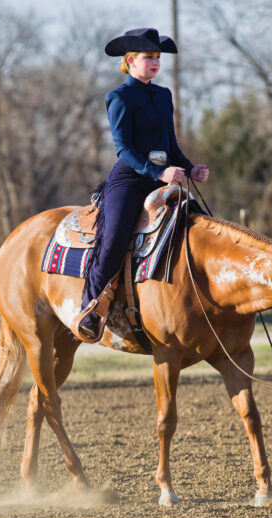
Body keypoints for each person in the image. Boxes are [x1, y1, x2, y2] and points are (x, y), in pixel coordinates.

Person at [72, 27, 210, 342]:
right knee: (115, 237)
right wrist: (158, 173)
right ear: (131, 61)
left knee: (200, 223)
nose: (155, 63)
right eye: (149, 57)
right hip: (131, 178)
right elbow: (124, 150)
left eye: (157, 57)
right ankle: (90, 309)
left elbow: (170, 145)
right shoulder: (118, 97)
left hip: (165, 175)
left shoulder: (163, 95)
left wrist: (191, 169)